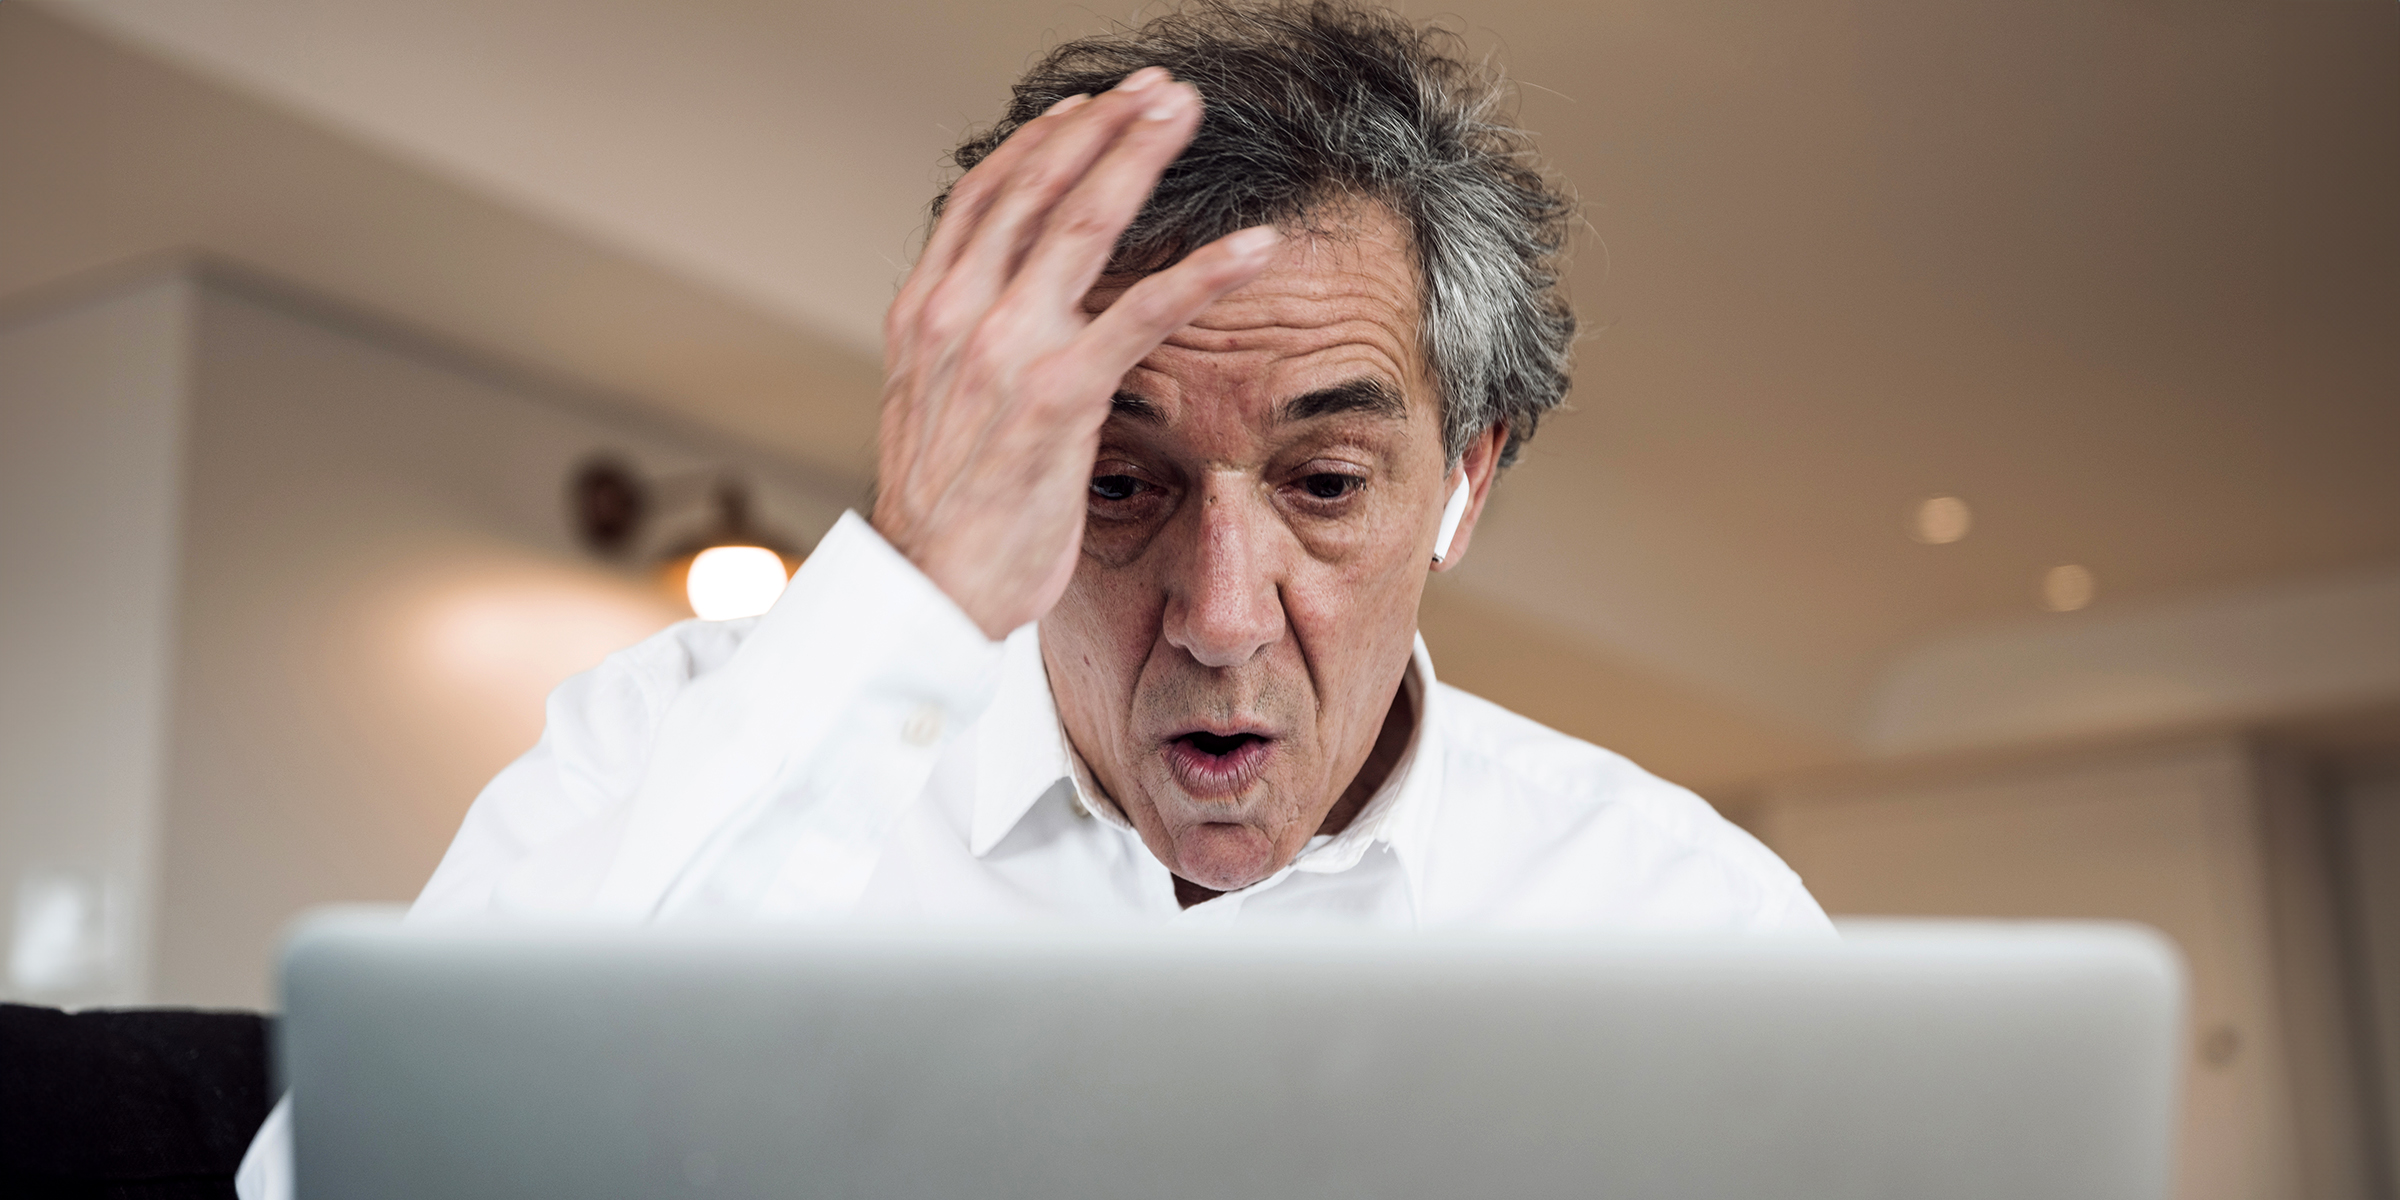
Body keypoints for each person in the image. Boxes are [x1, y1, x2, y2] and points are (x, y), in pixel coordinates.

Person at [236, 3, 1830, 1194]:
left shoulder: (1687, 919)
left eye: (1325, 486)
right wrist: (910, 587)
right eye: (1113, 483)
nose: (1220, 614)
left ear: (1465, 482)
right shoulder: (679, 741)